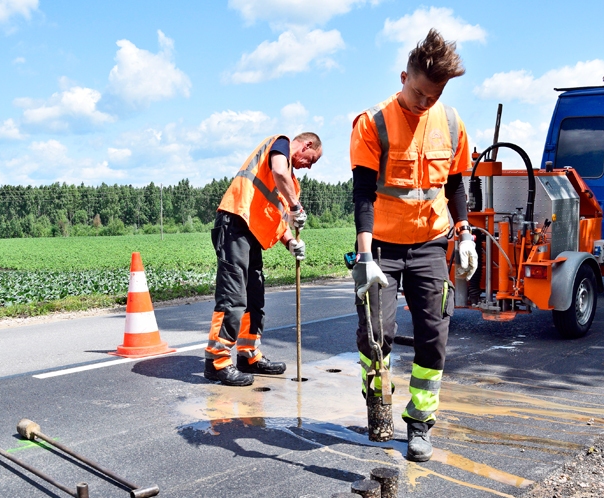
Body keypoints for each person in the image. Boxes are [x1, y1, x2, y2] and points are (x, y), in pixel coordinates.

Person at [349, 29, 478, 462]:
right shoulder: (374, 122)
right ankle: (378, 399)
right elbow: (363, 192)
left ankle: (420, 424)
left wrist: (464, 231)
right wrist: (364, 256)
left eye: (434, 96)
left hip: (429, 244)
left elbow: (457, 184)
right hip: (382, 245)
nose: (425, 103)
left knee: (434, 335)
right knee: (376, 333)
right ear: (404, 76)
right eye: (420, 93)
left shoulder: (452, 122)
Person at [204, 132, 322, 386]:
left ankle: (248, 355)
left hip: (252, 233)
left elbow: (277, 220)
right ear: (306, 145)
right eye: (311, 159)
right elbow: (279, 172)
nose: (309, 166)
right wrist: (295, 206)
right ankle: (217, 362)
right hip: (235, 222)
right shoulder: (280, 144)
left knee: (254, 299)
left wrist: (291, 242)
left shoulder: (289, 183)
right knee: (233, 298)